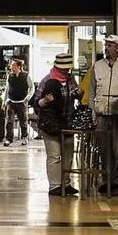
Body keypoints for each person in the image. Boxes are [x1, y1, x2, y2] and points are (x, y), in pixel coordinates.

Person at [90, 36, 118, 194]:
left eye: (110, 45)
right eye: (106, 45)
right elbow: (92, 91)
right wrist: (93, 112)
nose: (106, 47)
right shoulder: (97, 66)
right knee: (104, 149)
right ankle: (108, 180)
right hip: (101, 113)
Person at [35, 53, 83, 197]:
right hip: (50, 124)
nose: (66, 71)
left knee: (68, 154)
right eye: (63, 69)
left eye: (67, 69)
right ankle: (55, 185)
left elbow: (75, 95)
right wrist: (45, 100)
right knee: (54, 155)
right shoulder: (47, 81)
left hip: (68, 122)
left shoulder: (70, 80)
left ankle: (66, 184)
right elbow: (37, 103)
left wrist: (79, 93)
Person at [4, 57, 31, 145]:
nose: (11, 66)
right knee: (9, 121)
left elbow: (32, 87)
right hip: (11, 101)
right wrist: (5, 101)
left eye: (13, 65)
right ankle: (9, 139)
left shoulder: (26, 75)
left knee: (23, 121)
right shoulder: (10, 76)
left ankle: (24, 138)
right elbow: (7, 89)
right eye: (12, 65)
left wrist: (27, 97)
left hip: (21, 102)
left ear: (19, 66)